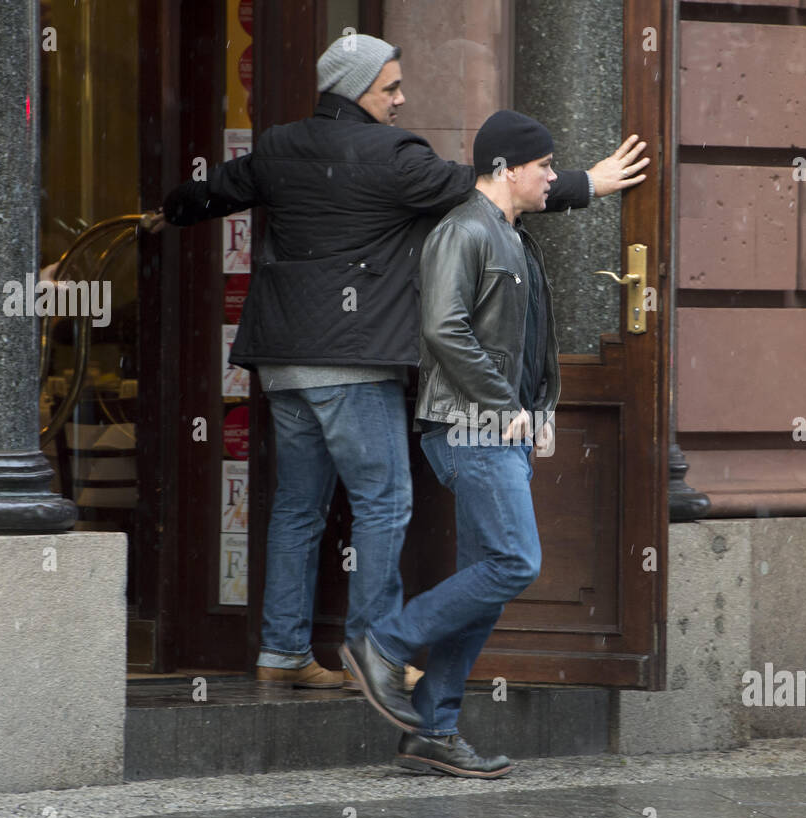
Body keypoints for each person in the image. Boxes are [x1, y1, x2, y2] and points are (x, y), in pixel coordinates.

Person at [160, 36, 649, 690]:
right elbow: (480, 188)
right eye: (390, 87)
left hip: (280, 361)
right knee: (384, 501)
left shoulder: (276, 146)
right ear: (358, 89)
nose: (401, 98)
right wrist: (586, 183)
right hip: (351, 363)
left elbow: (212, 193)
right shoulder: (392, 156)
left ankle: (282, 653)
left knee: (297, 508)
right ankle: (375, 654)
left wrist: (163, 213)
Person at [343, 110, 631, 778]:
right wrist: (505, 405)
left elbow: (521, 343)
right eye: (545, 165)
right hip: (469, 425)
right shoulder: (462, 230)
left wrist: (539, 407)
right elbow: (444, 329)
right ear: (504, 169)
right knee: (514, 560)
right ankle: (384, 643)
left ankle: (434, 729)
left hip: (501, 425)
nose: (553, 176)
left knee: (490, 580)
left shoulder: (512, 235)